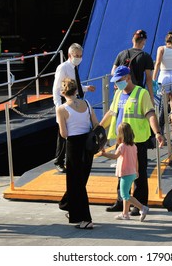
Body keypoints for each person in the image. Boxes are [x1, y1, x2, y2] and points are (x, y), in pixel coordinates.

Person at [100, 66, 164, 215]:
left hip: (137, 141)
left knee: (138, 173)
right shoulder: (118, 94)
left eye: (119, 80)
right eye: (115, 81)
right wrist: (99, 128)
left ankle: (139, 204)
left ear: (128, 78)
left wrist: (157, 133)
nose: (116, 84)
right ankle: (121, 201)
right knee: (122, 171)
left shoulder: (141, 94)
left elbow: (150, 114)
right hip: (121, 140)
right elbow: (111, 112)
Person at [56, 78, 98, 229]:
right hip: (88, 144)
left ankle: (85, 218)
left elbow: (63, 133)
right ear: (76, 91)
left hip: (74, 145)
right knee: (81, 180)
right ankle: (70, 207)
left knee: (76, 182)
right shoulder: (86, 104)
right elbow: (96, 124)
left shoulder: (62, 109)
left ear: (62, 92)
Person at [52, 43, 95, 173]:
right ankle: (59, 161)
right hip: (65, 105)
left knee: (71, 133)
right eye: (76, 56)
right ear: (70, 55)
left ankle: (69, 158)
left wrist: (86, 88)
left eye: (80, 56)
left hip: (74, 101)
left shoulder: (74, 67)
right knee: (62, 135)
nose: (79, 58)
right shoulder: (63, 67)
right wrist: (59, 107)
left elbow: (74, 84)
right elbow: (56, 88)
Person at [101, 122, 149, 221]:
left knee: (124, 195)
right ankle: (125, 214)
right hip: (132, 172)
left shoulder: (122, 146)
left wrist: (104, 154)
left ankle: (142, 207)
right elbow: (136, 160)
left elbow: (115, 156)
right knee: (126, 193)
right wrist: (136, 171)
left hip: (125, 173)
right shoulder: (134, 146)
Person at [112, 29, 155, 101]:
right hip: (137, 92)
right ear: (144, 41)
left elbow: (113, 72)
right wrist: (151, 97)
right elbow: (148, 79)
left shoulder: (122, 53)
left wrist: (118, 83)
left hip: (122, 91)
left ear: (133, 40)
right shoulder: (146, 56)